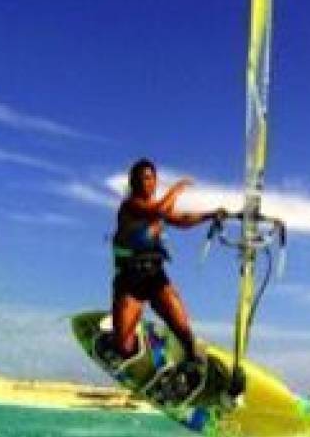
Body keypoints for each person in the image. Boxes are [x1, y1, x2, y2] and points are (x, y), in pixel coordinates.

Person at [96, 158, 223, 383]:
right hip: (129, 281)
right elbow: (160, 209)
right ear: (133, 182)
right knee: (123, 347)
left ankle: (191, 362)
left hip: (155, 278)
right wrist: (178, 188)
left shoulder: (158, 210)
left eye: (151, 178)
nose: (148, 182)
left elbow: (182, 219)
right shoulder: (130, 206)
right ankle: (131, 340)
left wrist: (210, 215)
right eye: (143, 178)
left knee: (183, 329)